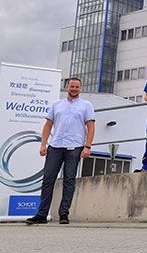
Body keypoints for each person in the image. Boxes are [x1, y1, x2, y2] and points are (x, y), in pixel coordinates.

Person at [26, 78, 95, 225]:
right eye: (72, 86)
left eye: (77, 86)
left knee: (69, 180)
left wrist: (87, 146)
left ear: (80, 88)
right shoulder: (57, 104)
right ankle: (41, 214)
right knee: (48, 179)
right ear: (67, 87)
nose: (74, 88)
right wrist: (43, 144)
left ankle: (64, 214)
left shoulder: (86, 105)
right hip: (55, 146)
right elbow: (48, 125)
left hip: (74, 147)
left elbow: (91, 127)